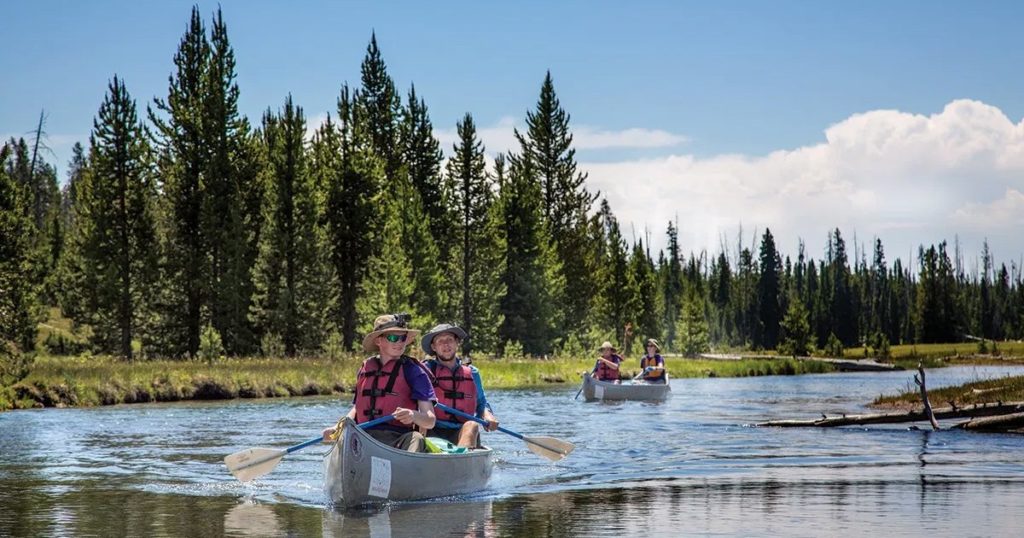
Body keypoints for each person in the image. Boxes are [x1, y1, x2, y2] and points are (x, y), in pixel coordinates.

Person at [322, 314, 436, 452]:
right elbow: (357, 409)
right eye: (393, 337)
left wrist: (413, 415)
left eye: (403, 338)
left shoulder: (414, 371)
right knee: (346, 437)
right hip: (364, 436)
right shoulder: (366, 368)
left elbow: (430, 420)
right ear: (378, 341)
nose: (399, 342)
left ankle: (405, 469)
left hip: (398, 439)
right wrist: (338, 427)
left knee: (416, 438)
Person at [421, 323, 499, 448]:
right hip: (433, 430)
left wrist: (488, 416)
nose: (446, 344)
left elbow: (481, 403)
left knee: (472, 424)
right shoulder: (424, 371)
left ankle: (461, 459)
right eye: (440, 341)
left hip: (463, 431)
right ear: (433, 347)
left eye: (450, 340)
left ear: (457, 343)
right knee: (422, 424)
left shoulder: (472, 373)